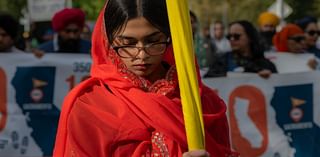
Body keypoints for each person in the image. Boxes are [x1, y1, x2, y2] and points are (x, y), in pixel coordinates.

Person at [53, 0, 238, 156]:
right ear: (107, 42)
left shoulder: (199, 100)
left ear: (169, 38)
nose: (141, 55)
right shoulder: (90, 105)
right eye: (128, 43)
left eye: (153, 41)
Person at [204, 20, 277, 78]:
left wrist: (268, 78)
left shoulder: (266, 65)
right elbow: (209, 82)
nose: (232, 39)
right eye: (229, 36)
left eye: (236, 36)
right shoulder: (222, 62)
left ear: (250, 37)